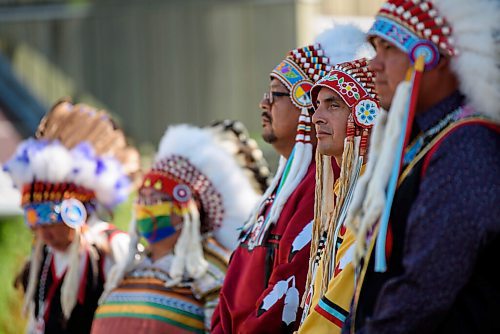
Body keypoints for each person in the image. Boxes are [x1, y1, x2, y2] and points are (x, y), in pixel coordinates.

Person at [342, 0, 500, 333]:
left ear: (433, 57)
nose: (374, 64)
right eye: (374, 47)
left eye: (389, 48)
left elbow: (424, 288)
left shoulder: (467, 145)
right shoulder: (428, 140)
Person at [212, 25, 368, 333]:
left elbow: (290, 290)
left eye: (276, 94)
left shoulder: (319, 189)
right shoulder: (282, 188)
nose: (263, 103)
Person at [91, 121, 269, 333]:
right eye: (143, 199)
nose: (146, 208)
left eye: (157, 201)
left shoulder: (209, 276)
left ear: (186, 213)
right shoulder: (126, 270)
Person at [3, 99, 139, 334]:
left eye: (53, 220)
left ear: (76, 212)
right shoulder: (43, 259)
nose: (45, 233)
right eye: (36, 222)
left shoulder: (114, 247)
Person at [298, 58, 379, 334]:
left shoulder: (373, 197)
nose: (316, 117)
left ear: (367, 115)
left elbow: (343, 299)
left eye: (333, 105)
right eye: (316, 106)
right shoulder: (344, 192)